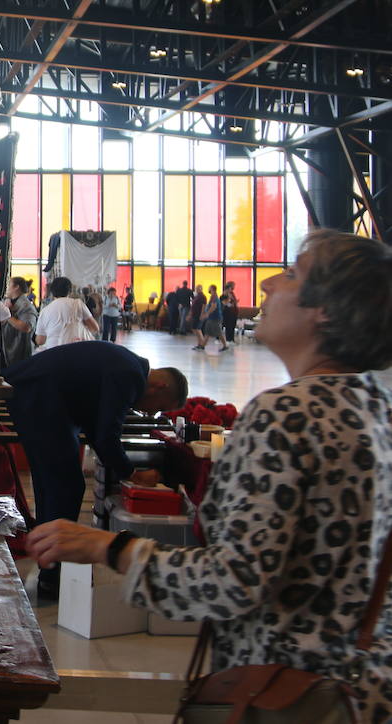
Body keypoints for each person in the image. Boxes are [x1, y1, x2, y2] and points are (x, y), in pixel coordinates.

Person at [26, 230, 392, 719]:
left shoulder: (287, 414)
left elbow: (234, 580)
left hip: (280, 688)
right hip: (355, 686)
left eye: (293, 273)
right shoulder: (374, 408)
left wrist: (107, 547)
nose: (268, 286)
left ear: (326, 310)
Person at [5, 340, 187, 599]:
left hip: (38, 392)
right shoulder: (130, 375)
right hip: (39, 394)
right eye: (160, 407)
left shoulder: (128, 364)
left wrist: (121, 465)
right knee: (65, 485)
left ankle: (48, 560)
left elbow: (96, 425)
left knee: (54, 482)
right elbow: (105, 435)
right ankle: (51, 572)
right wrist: (131, 473)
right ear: (161, 386)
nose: (151, 413)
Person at [34, 276, 98, 351]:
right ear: (70, 291)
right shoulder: (77, 304)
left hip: (53, 352)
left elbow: (40, 341)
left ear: (52, 291)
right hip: (76, 349)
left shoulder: (45, 311)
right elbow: (95, 328)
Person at [0, 276, 39, 369]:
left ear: (16, 287)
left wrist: (7, 314)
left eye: (9, 285)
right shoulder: (7, 302)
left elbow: (27, 327)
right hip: (6, 350)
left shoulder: (26, 306)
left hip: (19, 353)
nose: (7, 288)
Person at [193, 284, 226, 351]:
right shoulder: (212, 297)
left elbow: (213, 307)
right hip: (211, 318)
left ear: (212, 289)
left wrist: (206, 314)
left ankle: (225, 345)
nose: (208, 290)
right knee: (207, 332)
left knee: (219, 332)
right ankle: (202, 346)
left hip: (215, 318)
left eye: (209, 288)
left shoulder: (214, 297)